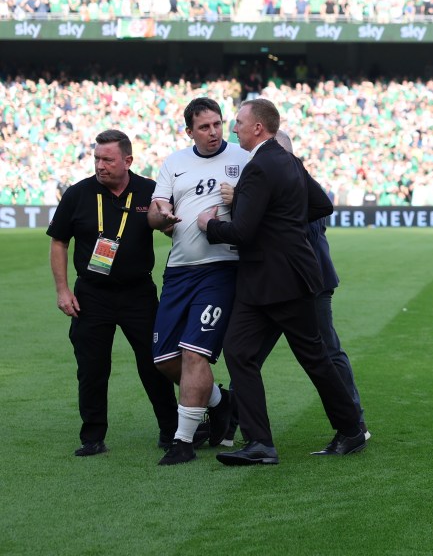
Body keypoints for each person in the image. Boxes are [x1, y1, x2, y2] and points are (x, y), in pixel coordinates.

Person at [197, 98, 365, 466]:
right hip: (278, 278)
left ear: (258, 127)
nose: (233, 128)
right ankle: (262, 443)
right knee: (246, 352)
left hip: (277, 279)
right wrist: (284, 223)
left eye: (238, 122)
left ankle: (349, 429)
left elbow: (241, 231)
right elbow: (321, 204)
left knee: (311, 358)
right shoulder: (287, 160)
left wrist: (208, 225)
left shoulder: (259, 167)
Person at [47, 130, 178, 457]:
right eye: (96, 159)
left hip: (139, 293)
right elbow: (59, 242)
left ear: (128, 161)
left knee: (154, 364)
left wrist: (169, 222)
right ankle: (92, 437)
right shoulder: (78, 194)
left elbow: (172, 228)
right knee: (91, 366)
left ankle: (171, 430)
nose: (100, 166)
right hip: (92, 294)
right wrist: (63, 290)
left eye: (107, 159)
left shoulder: (149, 190)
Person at [147, 97, 248, 465]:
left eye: (217, 124)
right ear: (189, 131)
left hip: (222, 268)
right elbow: (154, 216)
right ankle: (220, 403)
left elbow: (264, 208)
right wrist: (162, 216)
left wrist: (240, 200)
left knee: (194, 353)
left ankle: (183, 440)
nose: (213, 132)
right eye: (204, 127)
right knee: (163, 359)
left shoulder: (243, 159)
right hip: (178, 270)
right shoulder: (174, 163)